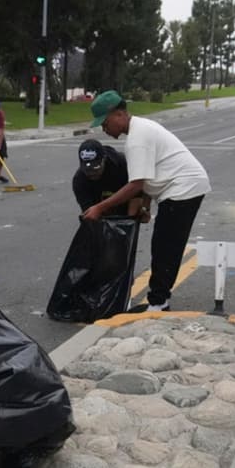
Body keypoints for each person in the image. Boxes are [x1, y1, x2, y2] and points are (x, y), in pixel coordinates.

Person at [83, 90, 211, 311]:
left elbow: (137, 184)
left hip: (183, 188)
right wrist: (144, 206)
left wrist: (99, 207)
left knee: (165, 245)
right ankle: (160, 299)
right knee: (164, 243)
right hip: (180, 187)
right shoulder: (140, 129)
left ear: (119, 114)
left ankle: (159, 303)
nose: (104, 130)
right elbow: (149, 177)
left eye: (105, 123)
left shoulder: (137, 140)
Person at [73, 138, 149, 218]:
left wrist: (132, 219)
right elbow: (90, 213)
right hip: (99, 207)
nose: (92, 173)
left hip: (126, 199)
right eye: (87, 170)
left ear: (104, 159)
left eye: (96, 168)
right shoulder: (79, 180)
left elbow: (137, 191)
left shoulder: (121, 164)